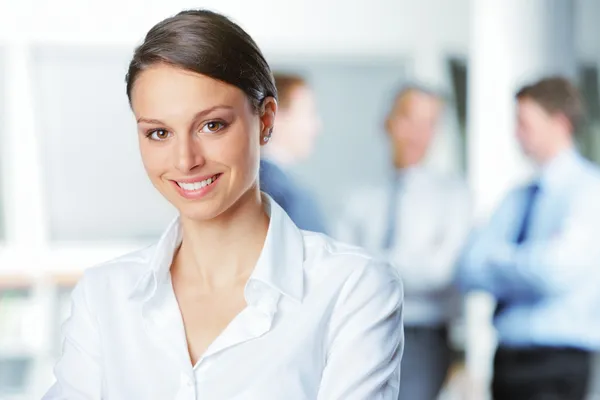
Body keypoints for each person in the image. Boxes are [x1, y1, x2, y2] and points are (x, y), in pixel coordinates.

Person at [42, 9, 404, 400]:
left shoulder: (351, 289)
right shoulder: (104, 296)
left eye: (211, 125)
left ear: (265, 120)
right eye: (159, 132)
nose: (185, 160)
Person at [456, 76, 600, 400]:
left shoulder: (589, 191)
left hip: (558, 363)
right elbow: (467, 268)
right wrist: (527, 261)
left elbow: (555, 272)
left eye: (524, 123)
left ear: (560, 123)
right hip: (507, 360)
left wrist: (499, 260)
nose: (516, 134)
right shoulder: (516, 197)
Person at [336, 84, 471, 400]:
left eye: (430, 123)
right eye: (410, 119)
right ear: (388, 122)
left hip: (424, 337)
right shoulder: (358, 198)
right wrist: (406, 262)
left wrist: (371, 263)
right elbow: (341, 270)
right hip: (362, 332)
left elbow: (440, 271)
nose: (417, 134)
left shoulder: (454, 197)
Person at [259, 72, 327, 233]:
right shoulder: (290, 196)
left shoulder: (241, 185)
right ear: (273, 116)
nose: (317, 126)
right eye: (309, 113)